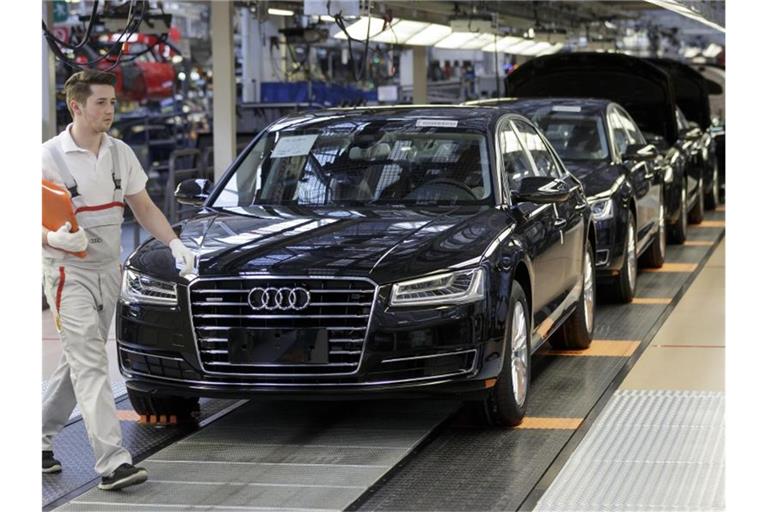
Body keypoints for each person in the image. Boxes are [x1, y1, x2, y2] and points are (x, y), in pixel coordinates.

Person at [41, 69, 194, 491]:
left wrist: (173, 242)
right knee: (91, 362)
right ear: (76, 106)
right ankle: (113, 462)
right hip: (67, 272)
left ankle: (35, 437)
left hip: (110, 270)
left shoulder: (120, 152)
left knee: (77, 358)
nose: (110, 110)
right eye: (101, 102)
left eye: (112, 102)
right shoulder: (47, 157)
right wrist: (49, 238)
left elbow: (142, 206)